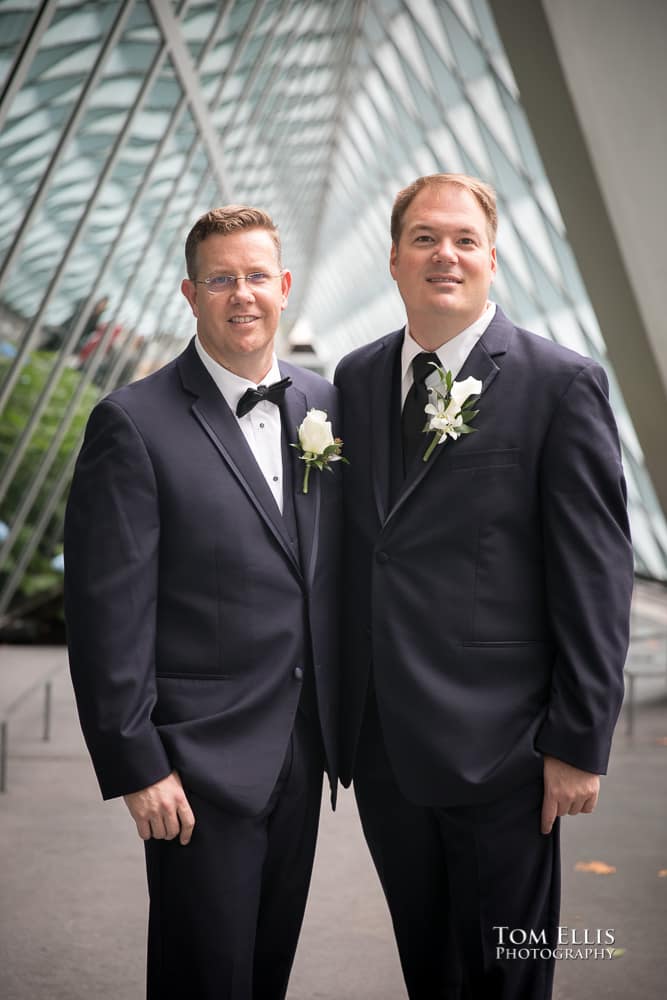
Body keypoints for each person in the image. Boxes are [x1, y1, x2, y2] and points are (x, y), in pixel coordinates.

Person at [334, 173, 633, 999]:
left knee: (508, 974)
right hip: (385, 749)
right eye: (424, 238)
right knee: (427, 969)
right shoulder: (354, 380)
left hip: (507, 751)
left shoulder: (559, 384)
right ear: (393, 258)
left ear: (492, 259)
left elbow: (595, 576)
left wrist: (577, 742)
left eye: (464, 239)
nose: (445, 254)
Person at [64, 206, 342, 1000]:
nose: (241, 295)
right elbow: (106, 614)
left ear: (284, 286)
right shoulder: (131, 423)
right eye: (221, 280)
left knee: (265, 973)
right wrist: (138, 766)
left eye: (256, 277)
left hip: (302, 750)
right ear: (190, 294)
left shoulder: (324, 403)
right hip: (194, 768)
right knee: (203, 978)